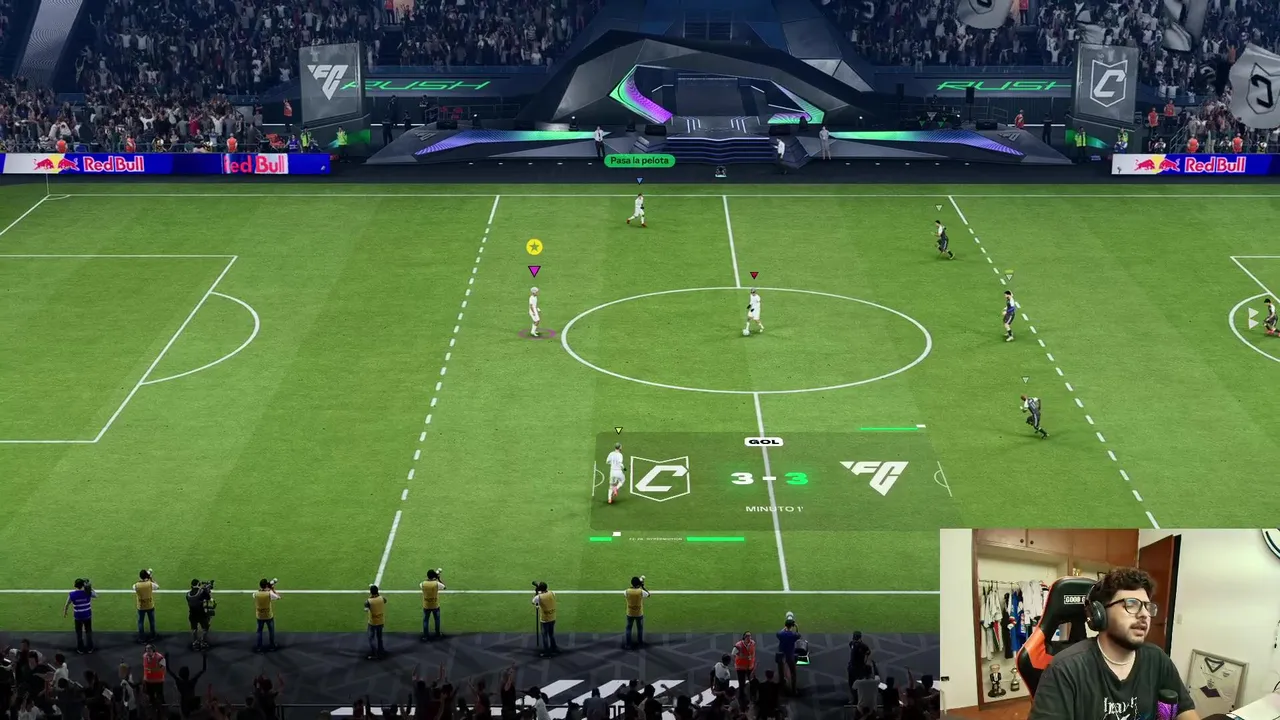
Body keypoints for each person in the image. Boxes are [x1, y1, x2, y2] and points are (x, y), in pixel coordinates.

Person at [1028, 567, 1198, 720]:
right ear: (1100, 613)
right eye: (1131, 604)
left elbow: (1185, 710)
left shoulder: (1157, 659)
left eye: (1147, 606)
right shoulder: (1064, 669)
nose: (1145, 614)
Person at [63, 579, 96, 654]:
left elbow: (67, 604)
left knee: (79, 633)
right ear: (83, 585)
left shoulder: (72, 594)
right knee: (88, 632)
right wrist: (90, 587)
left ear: (75, 585)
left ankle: (80, 649)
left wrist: (65, 612)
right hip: (87, 615)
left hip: (78, 617)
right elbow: (96, 595)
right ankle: (90, 648)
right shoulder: (87, 592)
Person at [253, 579, 281, 653]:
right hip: (268, 616)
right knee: (271, 631)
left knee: (259, 632)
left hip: (259, 616)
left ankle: (259, 648)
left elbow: (255, 594)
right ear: (266, 585)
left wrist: (263, 590)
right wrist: (272, 589)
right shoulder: (269, 593)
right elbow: (278, 597)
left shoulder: (256, 593)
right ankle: (272, 646)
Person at [532, 583, 558, 657]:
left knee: (545, 636)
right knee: (551, 634)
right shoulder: (552, 593)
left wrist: (537, 592)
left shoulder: (538, 597)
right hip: (552, 617)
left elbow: (534, 602)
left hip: (545, 619)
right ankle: (554, 648)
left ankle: (547, 652)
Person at [623, 576, 649, 649]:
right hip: (639, 614)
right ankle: (640, 644)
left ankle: (628, 645)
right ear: (638, 584)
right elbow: (648, 594)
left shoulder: (626, 591)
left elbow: (627, 593)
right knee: (640, 628)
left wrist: (637, 586)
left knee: (628, 628)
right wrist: (642, 587)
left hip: (630, 613)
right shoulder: (641, 591)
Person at [133, 570, 159, 643]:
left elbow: (134, 587)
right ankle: (153, 636)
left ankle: (142, 638)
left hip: (141, 606)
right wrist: (151, 578)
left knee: (140, 622)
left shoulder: (136, 585)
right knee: (152, 621)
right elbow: (157, 587)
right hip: (150, 605)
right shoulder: (150, 584)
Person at [421, 569, 446, 640]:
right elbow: (444, 587)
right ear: (434, 576)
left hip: (426, 605)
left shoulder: (422, 584)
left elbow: (426, 583)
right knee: (437, 620)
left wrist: (433, 578)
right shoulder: (436, 584)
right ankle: (437, 634)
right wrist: (438, 579)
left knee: (425, 621)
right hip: (435, 605)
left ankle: (425, 636)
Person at [365, 585, 388, 659]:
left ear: (371, 592)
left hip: (372, 622)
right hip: (380, 621)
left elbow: (366, 608)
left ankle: (374, 653)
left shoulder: (368, 601)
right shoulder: (382, 598)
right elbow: (385, 601)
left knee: (371, 638)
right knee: (380, 638)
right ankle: (381, 651)